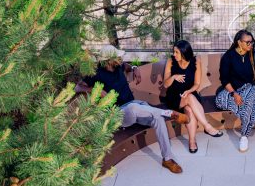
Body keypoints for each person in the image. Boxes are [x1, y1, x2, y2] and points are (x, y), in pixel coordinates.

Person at [79, 45, 188, 174]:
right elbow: (78, 87)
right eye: (118, 57)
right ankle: (169, 113)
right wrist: (94, 90)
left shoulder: (118, 65)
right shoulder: (95, 73)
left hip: (136, 106)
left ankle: (167, 158)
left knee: (157, 118)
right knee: (134, 107)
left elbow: (126, 66)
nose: (121, 58)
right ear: (109, 60)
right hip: (118, 114)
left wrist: (135, 68)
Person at [164, 40, 224, 153]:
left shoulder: (196, 61)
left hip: (190, 94)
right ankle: (207, 126)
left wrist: (188, 91)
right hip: (174, 97)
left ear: (184, 52)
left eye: (176, 52)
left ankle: (192, 141)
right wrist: (173, 77)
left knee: (189, 109)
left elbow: (197, 84)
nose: (174, 54)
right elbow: (166, 84)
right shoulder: (170, 62)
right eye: (174, 52)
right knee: (190, 98)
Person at [215, 30, 255, 153]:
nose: (251, 44)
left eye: (252, 42)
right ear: (239, 42)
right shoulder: (228, 57)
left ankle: (244, 135)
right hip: (233, 90)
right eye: (248, 42)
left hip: (252, 88)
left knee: (247, 103)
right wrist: (234, 94)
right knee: (220, 100)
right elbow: (224, 79)